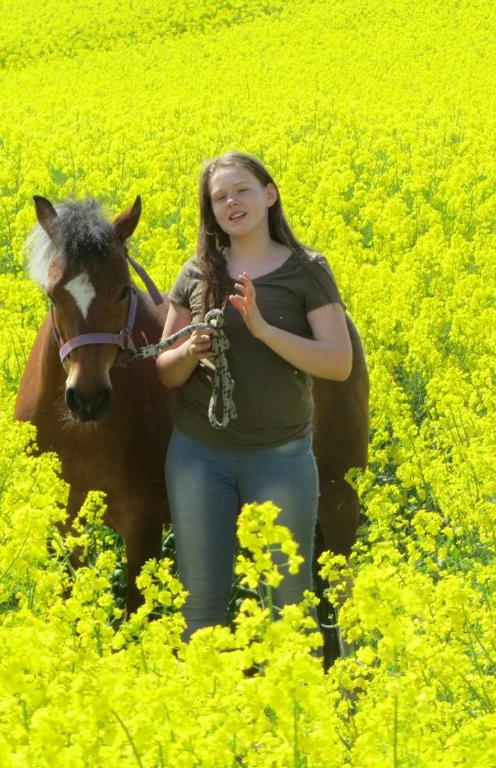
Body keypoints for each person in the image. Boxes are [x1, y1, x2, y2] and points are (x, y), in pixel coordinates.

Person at [156, 152, 352, 641]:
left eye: (242, 190)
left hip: (281, 458)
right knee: (200, 605)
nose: (231, 203)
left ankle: (292, 714)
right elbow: (165, 372)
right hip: (199, 457)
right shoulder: (197, 273)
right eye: (219, 197)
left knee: (290, 603)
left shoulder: (306, 270)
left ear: (270, 194)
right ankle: (209, 712)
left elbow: (338, 361)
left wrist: (263, 331)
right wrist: (188, 352)